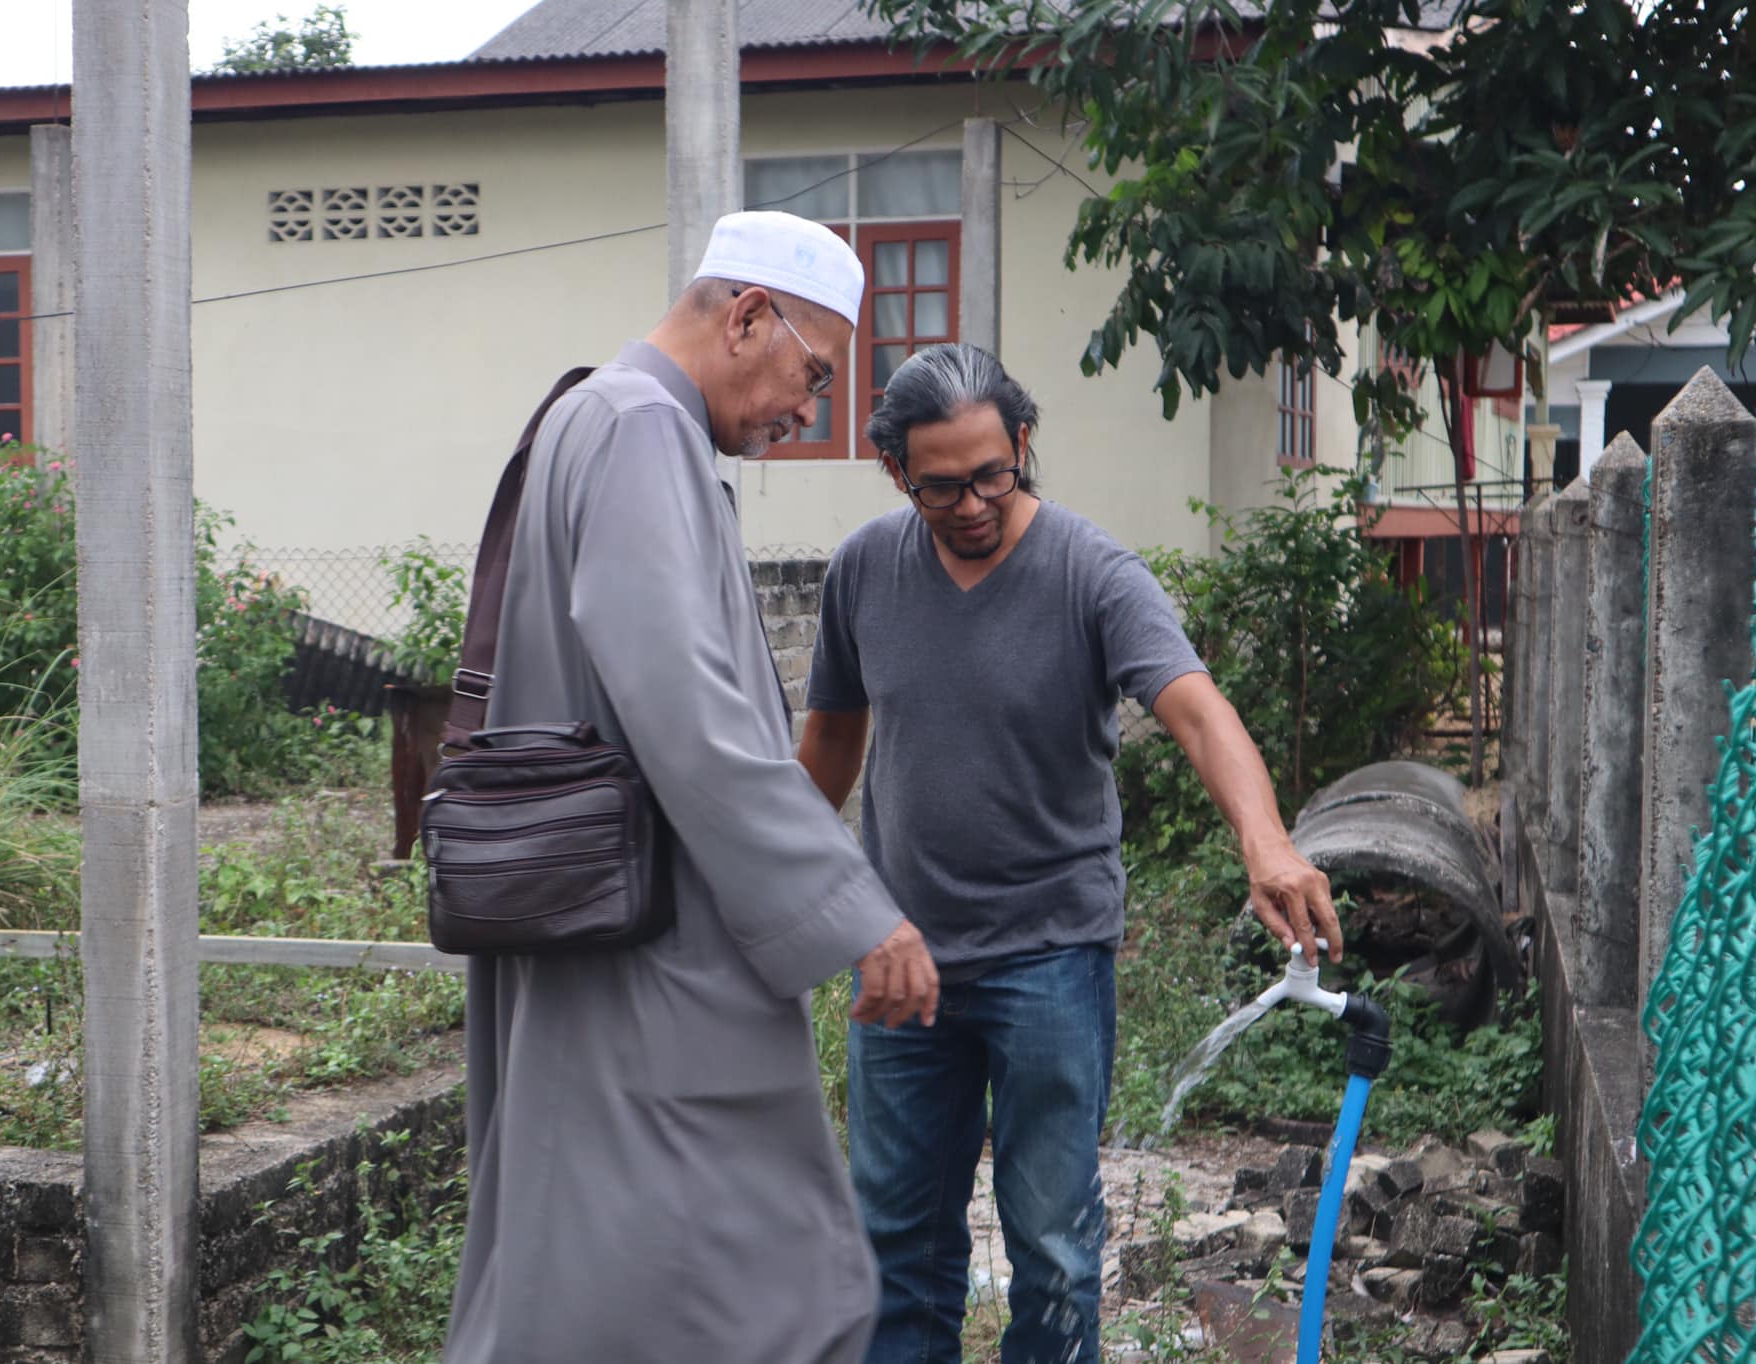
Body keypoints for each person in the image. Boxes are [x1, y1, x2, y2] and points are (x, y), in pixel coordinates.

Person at [442, 211, 941, 1364]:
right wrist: (858, 913)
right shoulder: (637, 431)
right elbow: (691, 711)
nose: (804, 411)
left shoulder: (596, 413)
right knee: (766, 1263)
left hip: (599, 914)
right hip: (649, 933)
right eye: (809, 375)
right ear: (747, 315)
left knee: (591, 1241)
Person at [797, 343, 1340, 1364]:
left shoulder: (1089, 571)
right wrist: (778, 889)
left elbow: (1197, 712)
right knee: (893, 1243)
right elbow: (829, 743)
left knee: (1049, 1245)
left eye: (991, 473)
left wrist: (1265, 842)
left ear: (1023, 443)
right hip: (901, 951)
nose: (969, 502)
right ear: (895, 473)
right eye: (940, 483)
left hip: (1048, 955)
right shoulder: (865, 568)